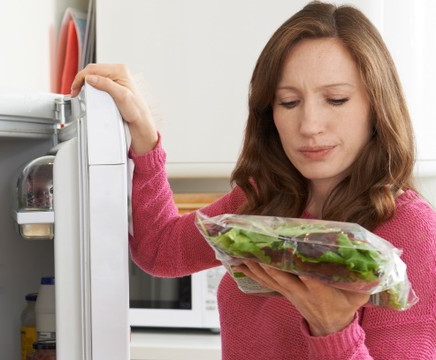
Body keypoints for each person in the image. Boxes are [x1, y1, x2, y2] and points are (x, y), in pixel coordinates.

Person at [71, 1, 436, 359]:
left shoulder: (411, 230)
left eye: (336, 99)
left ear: (377, 105)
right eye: (288, 102)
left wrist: (333, 329)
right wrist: (143, 133)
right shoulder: (263, 200)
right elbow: (161, 250)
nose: (309, 125)